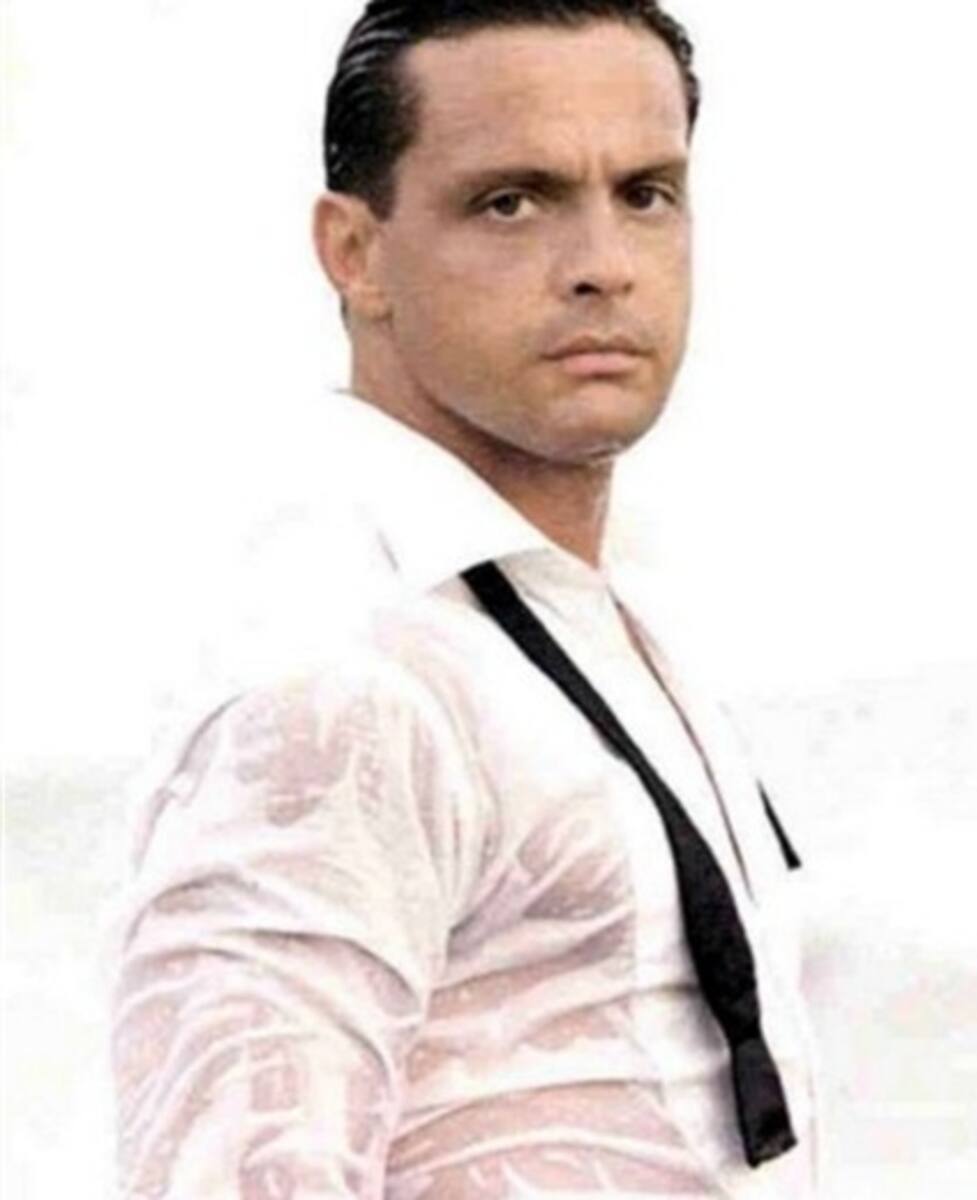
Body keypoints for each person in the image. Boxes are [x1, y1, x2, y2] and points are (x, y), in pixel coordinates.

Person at [111, 2, 819, 1196]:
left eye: (646, 193)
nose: (603, 263)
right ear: (354, 252)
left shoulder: (579, 612)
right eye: (511, 202)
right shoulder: (340, 676)